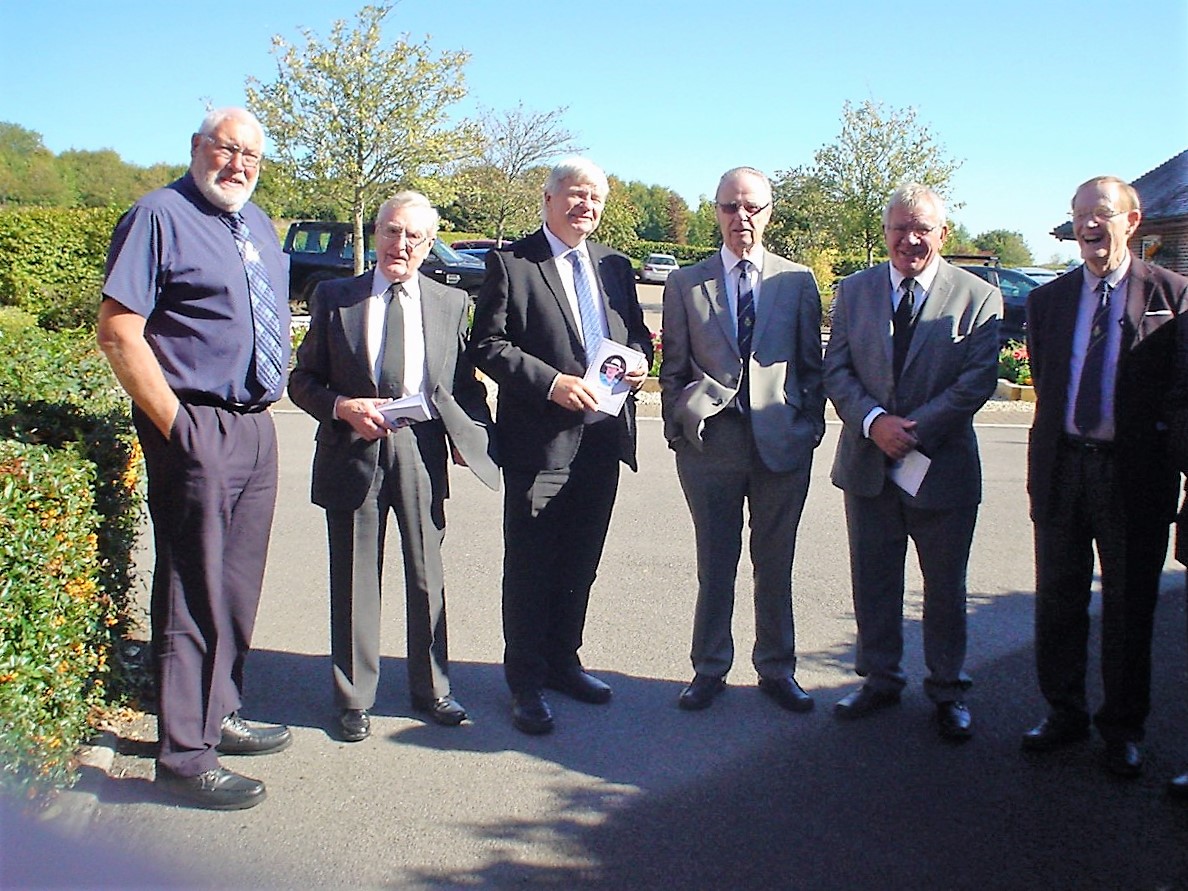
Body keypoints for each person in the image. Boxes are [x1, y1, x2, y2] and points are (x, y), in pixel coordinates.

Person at [97, 108, 292, 810]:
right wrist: (177, 425)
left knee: (235, 586)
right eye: (227, 149)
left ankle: (218, 712)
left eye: (251, 156)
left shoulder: (257, 224)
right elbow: (119, 331)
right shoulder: (158, 216)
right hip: (195, 421)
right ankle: (183, 755)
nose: (238, 165)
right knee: (191, 586)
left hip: (256, 425)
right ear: (196, 147)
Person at [288, 192, 499, 742]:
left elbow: (463, 386)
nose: (399, 244)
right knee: (355, 576)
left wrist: (470, 435)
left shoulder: (450, 303)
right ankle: (354, 696)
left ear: (429, 246)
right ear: (376, 233)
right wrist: (341, 407)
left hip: (420, 450)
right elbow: (302, 381)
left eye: (413, 236)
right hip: (350, 449)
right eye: (391, 231)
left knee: (427, 573)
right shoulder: (336, 297)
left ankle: (433, 690)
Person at [469, 157, 652, 735]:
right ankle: (525, 682)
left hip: (603, 439)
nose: (585, 205)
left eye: (595, 197)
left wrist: (639, 362)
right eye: (575, 194)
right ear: (548, 199)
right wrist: (551, 383)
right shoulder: (513, 264)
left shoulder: (614, 266)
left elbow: (636, 335)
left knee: (580, 561)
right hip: (540, 444)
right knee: (531, 566)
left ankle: (564, 662)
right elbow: (488, 345)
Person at [1021, 175, 1188, 778]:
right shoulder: (1048, 301)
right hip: (1063, 467)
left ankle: (1122, 728)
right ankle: (1063, 713)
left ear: (1132, 221)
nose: (1090, 226)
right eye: (1080, 216)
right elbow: (1048, 383)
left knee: (1129, 607)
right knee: (1057, 601)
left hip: (1134, 476)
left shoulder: (1173, 295)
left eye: (1103, 214)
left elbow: (1181, 394)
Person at [823, 183, 1001, 741]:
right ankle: (880, 679)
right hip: (868, 463)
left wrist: (911, 431)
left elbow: (976, 382)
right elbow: (836, 369)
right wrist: (875, 422)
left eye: (922, 228)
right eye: (899, 228)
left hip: (942, 468)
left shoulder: (978, 297)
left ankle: (948, 689)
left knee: (944, 588)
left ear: (943, 234)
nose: (910, 239)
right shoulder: (854, 291)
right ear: (885, 233)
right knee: (873, 580)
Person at [659, 167, 824, 713]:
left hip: (782, 443)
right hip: (711, 444)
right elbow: (672, 368)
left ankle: (777, 668)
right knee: (715, 562)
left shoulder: (796, 282)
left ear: (769, 213)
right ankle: (709, 668)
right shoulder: (686, 283)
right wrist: (678, 427)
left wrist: (809, 429)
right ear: (716, 212)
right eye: (730, 207)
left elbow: (811, 365)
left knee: (775, 563)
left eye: (752, 207)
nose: (741, 217)